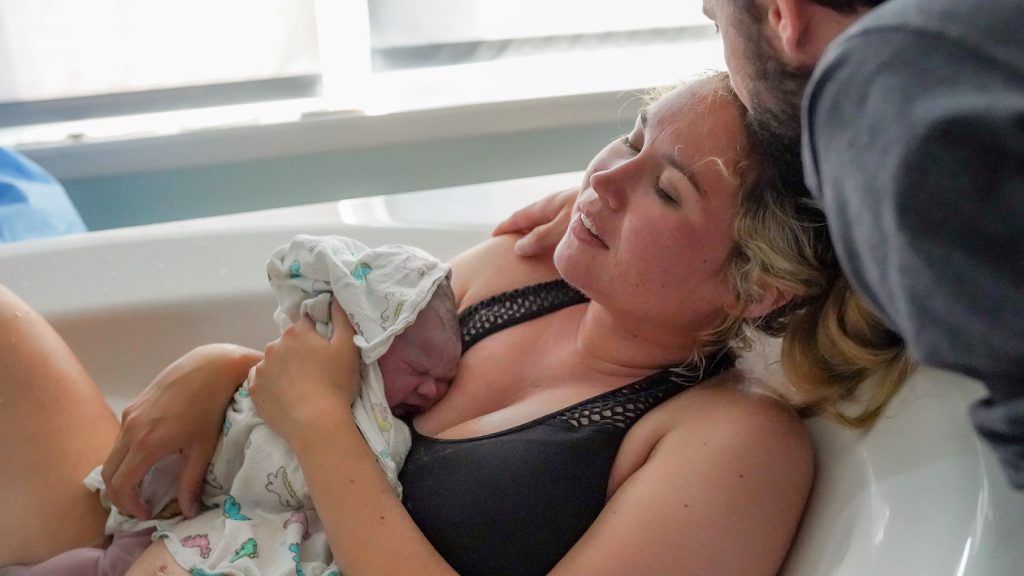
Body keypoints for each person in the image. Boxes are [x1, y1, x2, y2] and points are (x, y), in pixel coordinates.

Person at [0, 73, 908, 576]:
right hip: (168, 541)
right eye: (631, 138)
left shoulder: (734, 445)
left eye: (665, 189)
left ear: (759, 289)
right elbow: (316, 376)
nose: (600, 183)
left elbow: (322, 414)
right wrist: (221, 366)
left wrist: (318, 428)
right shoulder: (528, 268)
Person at [505, 0, 1024, 489]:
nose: (731, 70)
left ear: (784, 14)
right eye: (632, 139)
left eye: (717, 23)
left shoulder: (896, 103)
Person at [1, 235, 461, 576]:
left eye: (443, 379)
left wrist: (316, 411)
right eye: (421, 374)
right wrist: (227, 365)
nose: (431, 392)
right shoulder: (459, 280)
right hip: (165, 526)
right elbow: (316, 368)